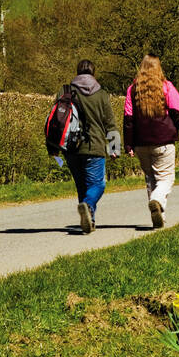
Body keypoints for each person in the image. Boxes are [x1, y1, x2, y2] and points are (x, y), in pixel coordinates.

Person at [123, 54, 179, 229]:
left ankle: (159, 217)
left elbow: (128, 119)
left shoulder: (132, 90)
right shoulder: (166, 87)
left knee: (151, 179)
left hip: (140, 143)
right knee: (166, 179)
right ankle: (156, 201)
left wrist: (128, 144)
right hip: (163, 141)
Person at [62, 59, 116, 234]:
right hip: (94, 146)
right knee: (98, 185)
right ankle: (88, 206)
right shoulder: (101, 94)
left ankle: (89, 221)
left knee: (82, 186)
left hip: (71, 148)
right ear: (94, 72)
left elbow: (58, 120)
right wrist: (114, 148)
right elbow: (110, 123)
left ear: (77, 72)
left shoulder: (65, 91)